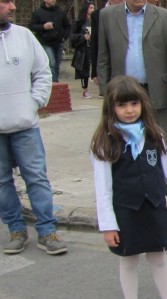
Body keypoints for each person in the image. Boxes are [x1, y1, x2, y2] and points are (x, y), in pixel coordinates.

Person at [90, 76, 167, 299]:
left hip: (154, 208)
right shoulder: (104, 142)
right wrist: (108, 225)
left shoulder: (154, 134)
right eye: (122, 105)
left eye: (134, 104)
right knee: (128, 261)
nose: (129, 110)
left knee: (159, 258)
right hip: (126, 211)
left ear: (142, 104)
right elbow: (102, 187)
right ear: (110, 108)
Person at [0, 0, 68, 256]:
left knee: (37, 178)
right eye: (6, 2)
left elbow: (43, 72)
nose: (13, 7)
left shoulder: (25, 36)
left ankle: (47, 231)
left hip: (25, 125)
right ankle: (16, 230)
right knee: (2, 182)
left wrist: (34, 102)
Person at [97, 0, 167, 152]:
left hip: (156, 88)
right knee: (122, 135)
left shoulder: (165, 17)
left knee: (162, 137)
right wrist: (105, 89)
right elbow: (103, 56)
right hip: (122, 90)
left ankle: (166, 173)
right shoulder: (107, 16)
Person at [29, 0, 71, 82]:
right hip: (45, 42)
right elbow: (32, 26)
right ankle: (53, 84)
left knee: (57, 65)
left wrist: (64, 37)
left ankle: (55, 82)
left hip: (58, 42)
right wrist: (43, 27)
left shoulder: (60, 12)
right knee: (52, 63)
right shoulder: (38, 12)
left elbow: (67, 26)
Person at [90, 0, 124, 90]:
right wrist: (95, 72)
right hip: (111, 68)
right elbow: (96, 44)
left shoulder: (134, 11)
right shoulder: (98, 14)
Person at [71, 1, 95, 99]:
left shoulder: (96, 21)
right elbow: (72, 36)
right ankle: (85, 90)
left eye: (93, 8)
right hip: (84, 49)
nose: (92, 10)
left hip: (94, 47)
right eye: (90, 8)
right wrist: (83, 37)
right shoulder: (80, 23)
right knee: (84, 70)